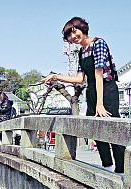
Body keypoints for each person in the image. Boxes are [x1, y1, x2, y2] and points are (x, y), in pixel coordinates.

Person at [42, 17, 125, 173]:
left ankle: (121, 170)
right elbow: (79, 79)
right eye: (69, 35)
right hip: (92, 90)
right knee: (96, 129)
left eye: (74, 32)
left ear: (82, 28)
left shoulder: (98, 43)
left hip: (107, 88)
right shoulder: (82, 51)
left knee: (112, 127)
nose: (73, 37)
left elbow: (99, 74)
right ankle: (106, 166)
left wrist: (100, 104)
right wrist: (56, 77)